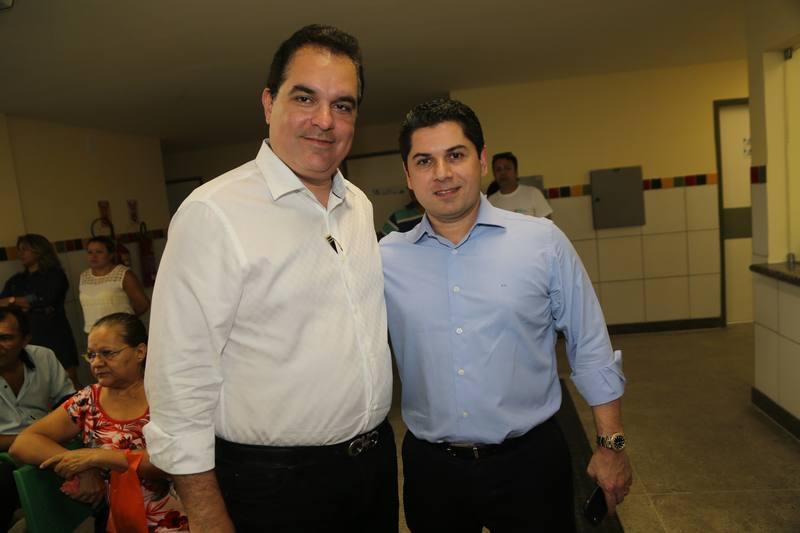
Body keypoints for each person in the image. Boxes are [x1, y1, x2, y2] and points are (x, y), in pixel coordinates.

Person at [143, 24, 397, 533]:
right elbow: (179, 382)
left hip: (373, 467)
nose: (324, 120)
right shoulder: (214, 213)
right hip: (273, 485)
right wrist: (206, 513)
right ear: (268, 102)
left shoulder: (358, 205)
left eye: (342, 105)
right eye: (305, 98)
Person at [380, 98, 632, 532]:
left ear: (481, 160)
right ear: (408, 175)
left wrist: (612, 446)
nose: (441, 173)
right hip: (432, 471)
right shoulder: (386, 259)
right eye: (424, 161)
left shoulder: (541, 242)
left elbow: (590, 343)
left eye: (455, 155)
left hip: (529, 464)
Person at [10, 313, 189, 532]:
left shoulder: (165, 395)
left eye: (107, 353)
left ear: (140, 352)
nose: (96, 363)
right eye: (91, 355)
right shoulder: (88, 400)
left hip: (178, 518)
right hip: (117, 520)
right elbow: (23, 443)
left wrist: (96, 456)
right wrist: (84, 467)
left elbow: (173, 459)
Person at [0, 305, 74, 530]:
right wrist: (33, 440)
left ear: (25, 340)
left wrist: (44, 438)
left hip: (49, 440)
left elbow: (70, 404)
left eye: (5, 338)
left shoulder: (43, 357)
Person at [0, 234, 80, 386]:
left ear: (38, 250)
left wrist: (14, 300)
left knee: (68, 377)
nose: (20, 253)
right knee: (39, 380)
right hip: (29, 335)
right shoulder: (17, 280)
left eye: (25, 249)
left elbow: (45, 298)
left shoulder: (55, 275)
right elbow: (2, 303)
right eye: (19, 249)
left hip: (54, 332)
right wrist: (23, 302)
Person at [79, 236, 150, 333]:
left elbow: (143, 304)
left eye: (99, 252)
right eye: (90, 252)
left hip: (119, 333)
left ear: (111, 255)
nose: (93, 256)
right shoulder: (84, 276)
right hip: (93, 333)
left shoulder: (124, 274)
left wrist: (122, 321)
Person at [488, 151, 553, 218]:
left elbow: (548, 222)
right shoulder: (490, 201)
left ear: (516, 172)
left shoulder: (533, 193)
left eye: (507, 168)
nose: (503, 173)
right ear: (494, 175)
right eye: (498, 170)